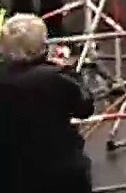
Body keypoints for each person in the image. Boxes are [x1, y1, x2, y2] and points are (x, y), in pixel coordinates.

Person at [0, 13, 95, 193]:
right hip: (59, 169)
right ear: (41, 46)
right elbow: (85, 106)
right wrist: (69, 70)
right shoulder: (54, 78)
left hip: (11, 171)